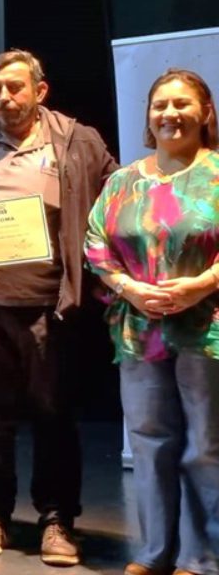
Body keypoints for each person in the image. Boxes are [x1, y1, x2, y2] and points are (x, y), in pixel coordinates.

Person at [0, 49, 116, 566]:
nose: (4, 97)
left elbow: (115, 201)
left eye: (15, 87)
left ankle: (56, 521)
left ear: (40, 90)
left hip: (51, 307)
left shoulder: (78, 141)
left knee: (54, 414)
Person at [85, 69, 219, 575]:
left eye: (182, 104)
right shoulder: (123, 181)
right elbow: (95, 242)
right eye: (160, 104)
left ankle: (201, 557)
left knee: (205, 444)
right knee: (148, 439)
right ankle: (154, 553)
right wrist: (129, 288)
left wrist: (201, 285)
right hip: (139, 329)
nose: (170, 114)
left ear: (205, 112)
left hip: (207, 329)